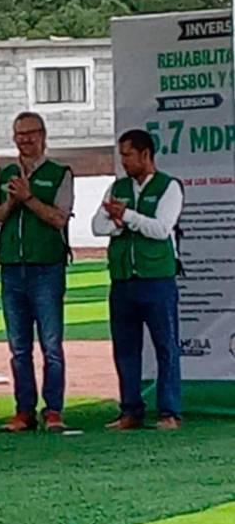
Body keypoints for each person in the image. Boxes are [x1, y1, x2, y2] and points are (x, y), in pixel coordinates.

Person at [0, 112, 75, 433]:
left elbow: (59, 218)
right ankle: (24, 411)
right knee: (19, 347)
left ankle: (53, 410)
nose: (25, 139)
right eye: (20, 134)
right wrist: (11, 202)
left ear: (43, 135)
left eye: (31, 133)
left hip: (47, 267)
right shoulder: (4, 174)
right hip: (12, 269)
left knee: (51, 345)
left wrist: (29, 198)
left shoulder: (59, 173)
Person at [92, 129, 184, 431]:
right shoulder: (117, 187)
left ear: (145, 154)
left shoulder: (169, 187)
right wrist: (120, 224)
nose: (124, 161)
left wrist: (127, 217)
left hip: (157, 279)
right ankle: (130, 410)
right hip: (122, 280)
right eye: (122, 155)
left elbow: (161, 229)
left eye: (128, 155)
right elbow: (97, 226)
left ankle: (169, 412)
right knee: (125, 348)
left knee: (166, 346)